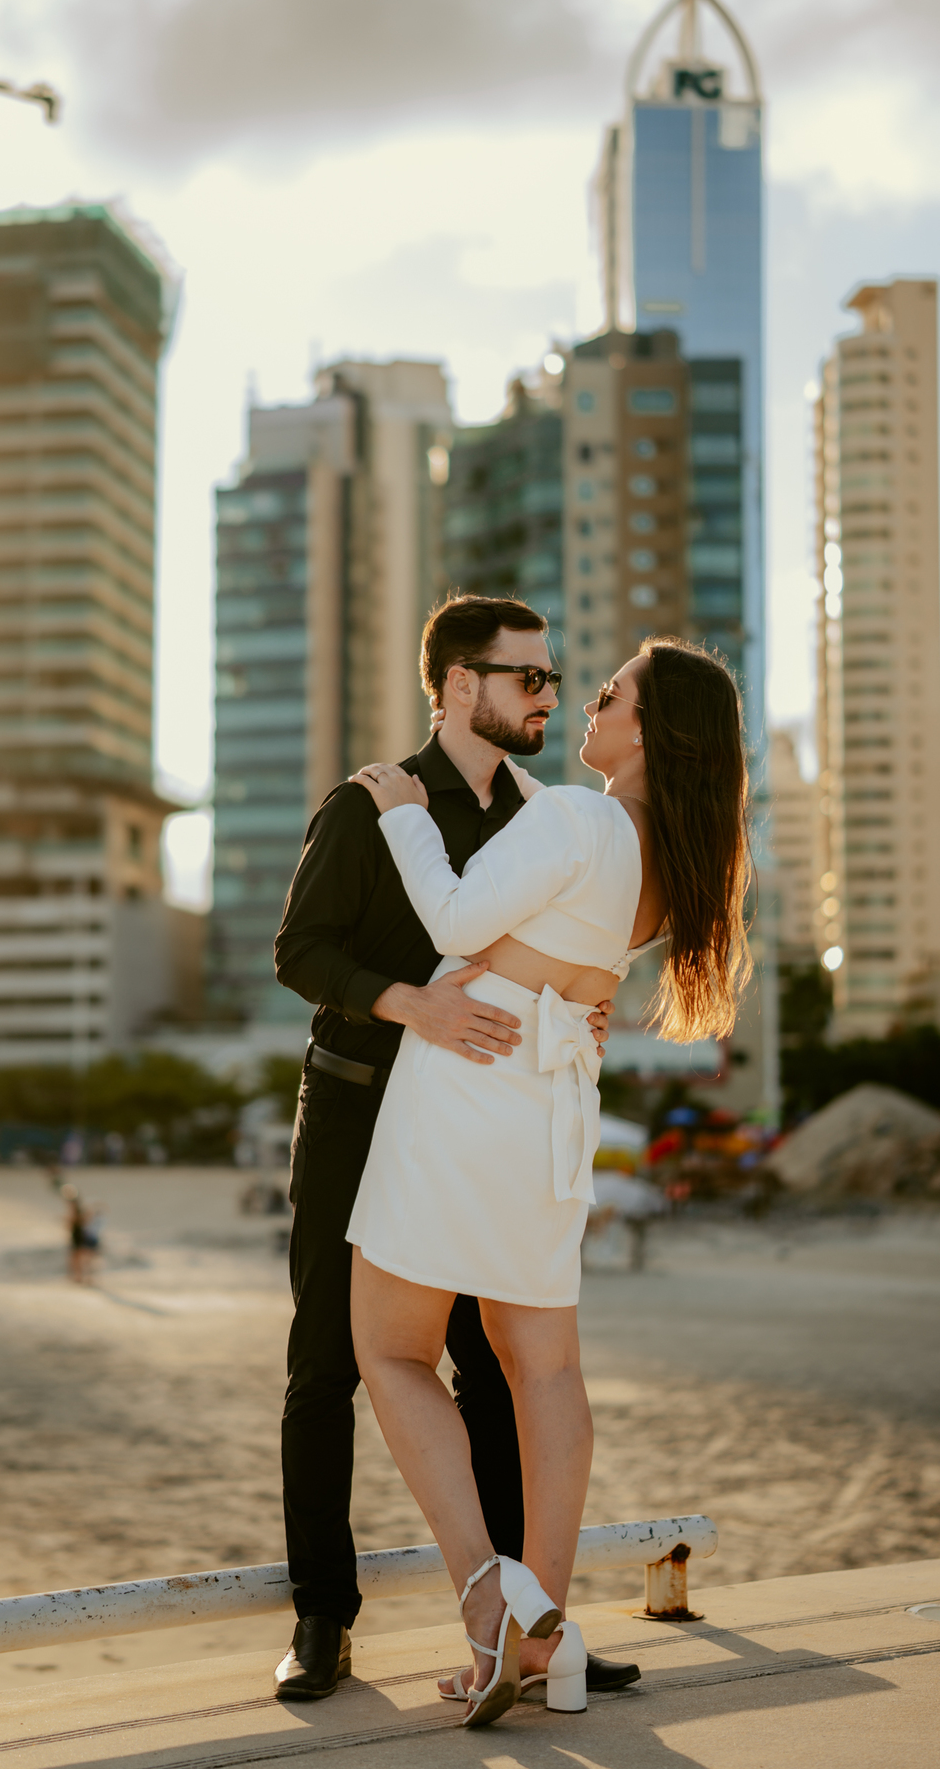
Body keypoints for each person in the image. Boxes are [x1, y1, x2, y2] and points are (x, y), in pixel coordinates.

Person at [346, 637, 752, 1726]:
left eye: (611, 692)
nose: (591, 700)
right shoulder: (670, 862)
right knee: (547, 1370)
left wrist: (400, 809)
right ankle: (546, 1634)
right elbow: (567, 932)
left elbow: (455, 920)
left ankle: (488, 1598)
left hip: (467, 1082)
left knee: (387, 1346)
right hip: (552, 1103)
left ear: (647, 732)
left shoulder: (579, 818)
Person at [270, 595, 626, 1703]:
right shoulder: (372, 801)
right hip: (357, 1105)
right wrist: (403, 1005)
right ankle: (322, 1619)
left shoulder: (541, 811)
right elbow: (299, 951)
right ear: (458, 684)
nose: (547, 697)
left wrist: (582, 1012)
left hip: (478, 1127)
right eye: (527, 678)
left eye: (554, 679)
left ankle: (526, 1619)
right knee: (328, 1364)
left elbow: (557, 946)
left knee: (496, 1367)